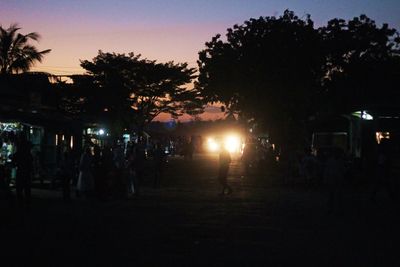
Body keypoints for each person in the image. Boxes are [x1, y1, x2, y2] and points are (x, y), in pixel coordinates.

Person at [13, 139, 33, 209]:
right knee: (27, 190)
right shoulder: (28, 154)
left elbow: (13, 161)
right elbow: (31, 165)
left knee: (19, 189)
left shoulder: (19, 153)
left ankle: (21, 204)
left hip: (20, 172)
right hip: (26, 173)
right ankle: (27, 204)